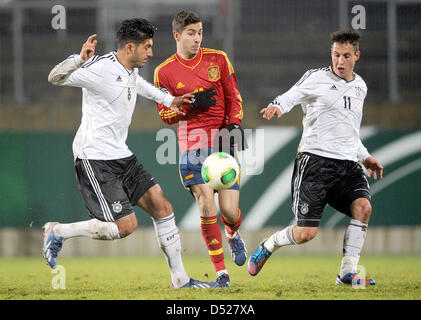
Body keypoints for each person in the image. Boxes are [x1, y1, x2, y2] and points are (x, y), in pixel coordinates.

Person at [44, 18, 217, 289]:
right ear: (129, 47)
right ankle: (59, 231)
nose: (150, 52)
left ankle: (181, 280)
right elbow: (55, 77)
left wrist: (170, 100)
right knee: (126, 227)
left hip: (121, 155)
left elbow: (139, 86)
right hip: (95, 157)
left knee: (162, 207)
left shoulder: (130, 71)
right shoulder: (98, 68)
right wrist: (78, 59)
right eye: (146, 47)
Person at [248, 30, 384, 286]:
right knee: (305, 234)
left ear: (357, 55)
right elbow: (291, 95)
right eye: (335, 55)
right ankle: (269, 244)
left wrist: (365, 156)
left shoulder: (360, 87)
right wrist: (278, 106)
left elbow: (351, 132)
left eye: (346, 56)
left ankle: (347, 272)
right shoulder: (316, 78)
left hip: (348, 165)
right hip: (315, 163)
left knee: (363, 208)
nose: (340, 61)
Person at [153, 10, 247, 287]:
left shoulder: (218, 59)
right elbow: (165, 115)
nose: (197, 38)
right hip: (191, 146)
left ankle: (232, 233)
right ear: (177, 35)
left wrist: (235, 124)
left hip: (223, 145)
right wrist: (188, 104)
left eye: (200, 32)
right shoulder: (164, 72)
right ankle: (221, 273)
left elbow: (234, 96)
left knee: (229, 212)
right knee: (207, 206)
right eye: (191, 33)